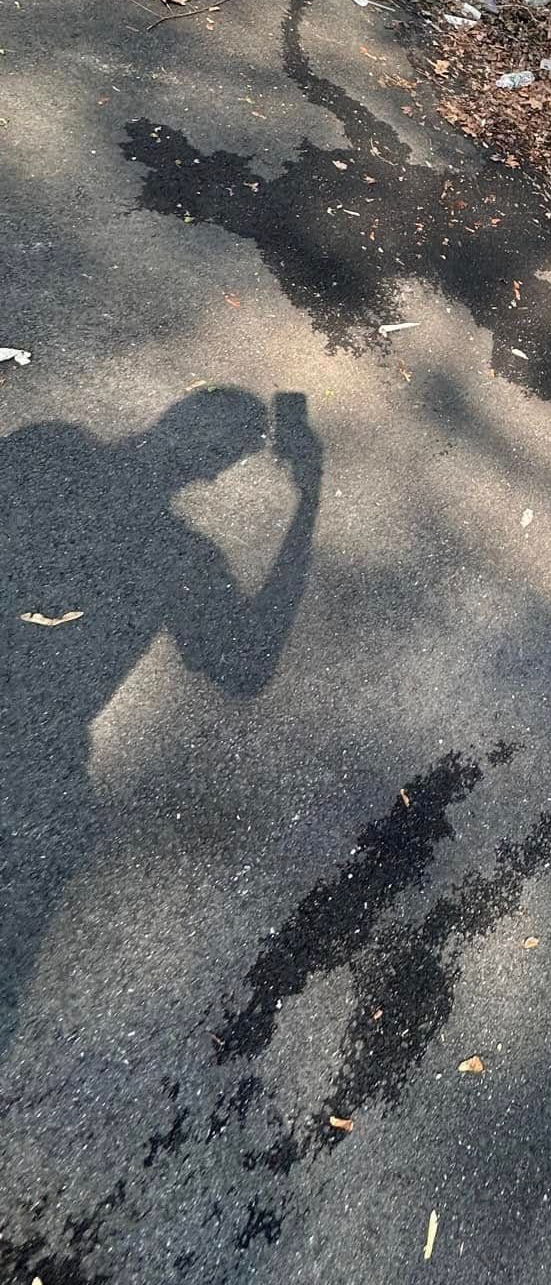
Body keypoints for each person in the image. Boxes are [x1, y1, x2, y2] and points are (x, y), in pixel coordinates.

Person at [0, 388, 321, 1058]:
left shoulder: (49, 449)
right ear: (216, 469)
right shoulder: (176, 561)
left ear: (169, 414)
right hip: (29, 776)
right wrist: (309, 499)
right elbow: (247, 663)